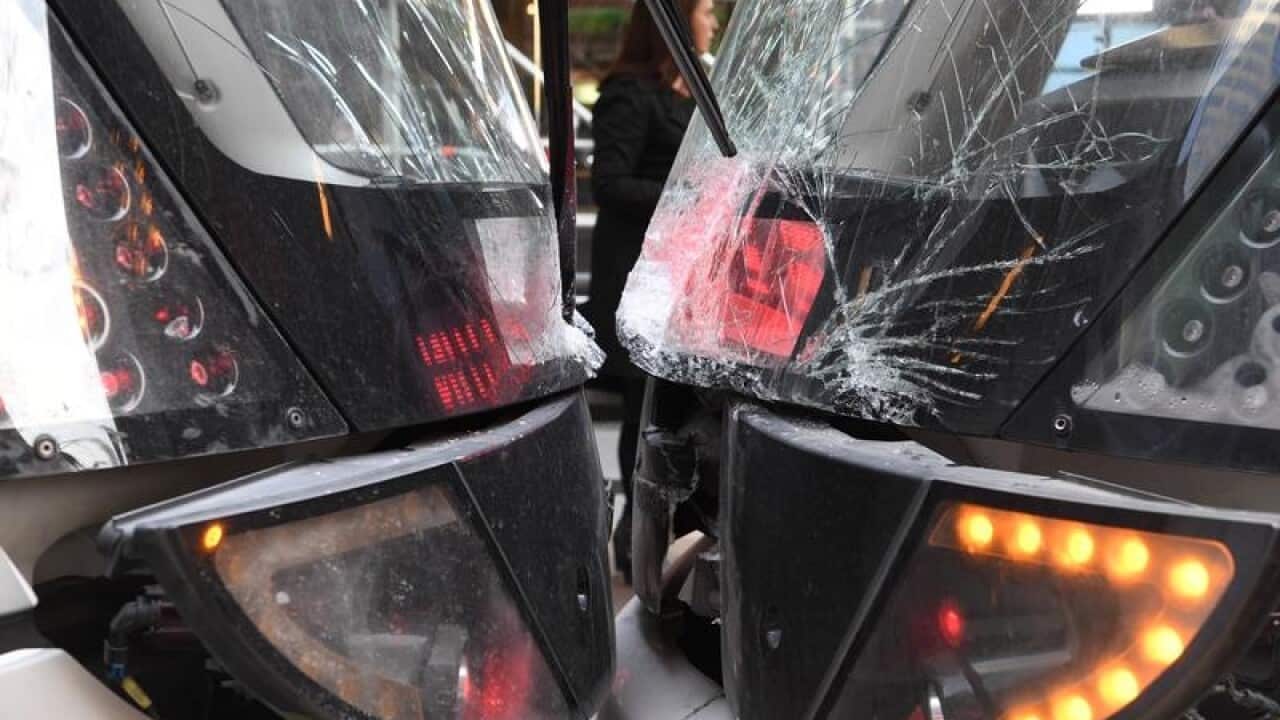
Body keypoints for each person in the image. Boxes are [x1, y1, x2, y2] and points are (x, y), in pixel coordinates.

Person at [585, 0, 719, 583]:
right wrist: (686, 196)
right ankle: (629, 541)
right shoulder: (628, 94)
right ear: (674, 21)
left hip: (680, 278)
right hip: (640, 277)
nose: (711, 22)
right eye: (706, 10)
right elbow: (610, 183)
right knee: (643, 410)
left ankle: (655, 535)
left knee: (672, 411)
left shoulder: (688, 92)